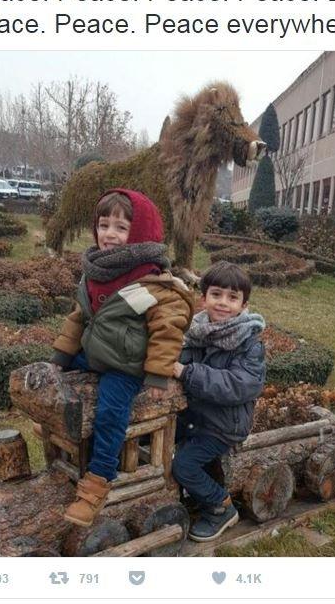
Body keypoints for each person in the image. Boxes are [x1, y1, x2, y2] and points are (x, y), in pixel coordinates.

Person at [51, 189, 194, 527]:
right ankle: (61, 444)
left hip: (125, 365)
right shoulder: (97, 272)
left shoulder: (150, 282)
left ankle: (98, 481)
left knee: (111, 413)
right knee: (51, 384)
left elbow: (168, 328)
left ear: (141, 233)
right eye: (104, 225)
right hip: (96, 353)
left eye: (121, 227)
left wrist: (158, 374)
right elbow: (78, 317)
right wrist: (61, 356)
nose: (109, 234)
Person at [172, 261, 266, 542]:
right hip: (193, 416)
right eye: (216, 294)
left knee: (183, 465)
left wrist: (187, 372)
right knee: (152, 444)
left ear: (244, 305)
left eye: (232, 297)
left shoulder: (249, 343)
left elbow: (240, 385)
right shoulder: (198, 332)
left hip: (223, 425)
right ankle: (168, 497)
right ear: (204, 298)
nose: (223, 303)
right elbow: (180, 359)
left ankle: (220, 506)